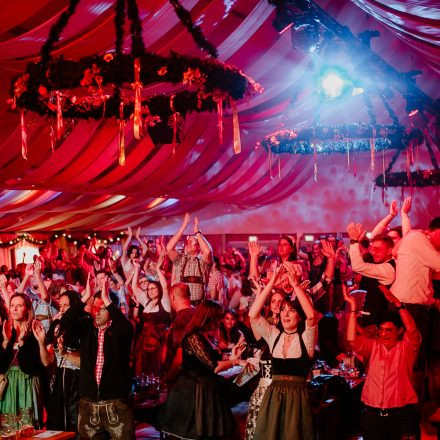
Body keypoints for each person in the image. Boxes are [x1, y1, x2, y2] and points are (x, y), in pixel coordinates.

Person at [159, 300, 247, 440]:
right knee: (196, 432)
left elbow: (214, 362)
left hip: (208, 388)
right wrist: (235, 362)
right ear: (209, 317)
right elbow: (213, 366)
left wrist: (233, 356)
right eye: (219, 317)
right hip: (194, 390)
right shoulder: (194, 337)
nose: (221, 321)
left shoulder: (207, 336)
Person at [59, 276, 134, 439]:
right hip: (89, 402)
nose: (97, 312)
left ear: (111, 308)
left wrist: (106, 298)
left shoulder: (120, 330)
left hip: (116, 402)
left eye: (103, 308)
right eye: (95, 308)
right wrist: (85, 298)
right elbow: (64, 323)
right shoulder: (87, 329)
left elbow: (127, 329)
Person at [344, 284, 421, 440]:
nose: (384, 333)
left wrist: (399, 305)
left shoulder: (406, 348)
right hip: (372, 416)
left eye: (389, 330)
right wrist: (352, 309)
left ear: (399, 331)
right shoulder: (373, 346)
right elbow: (352, 339)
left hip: (401, 416)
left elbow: (412, 331)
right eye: (381, 329)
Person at [249, 266, 318, 440]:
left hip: (298, 399)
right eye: (283, 310)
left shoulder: (305, 339)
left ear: (298, 316)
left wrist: (295, 286)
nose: (286, 314)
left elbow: (311, 316)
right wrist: (271, 283)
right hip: (274, 397)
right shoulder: (275, 336)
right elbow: (253, 314)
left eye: (292, 310)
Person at [0, 293, 51, 428]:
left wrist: (22, 342)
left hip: (27, 384)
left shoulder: (35, 331)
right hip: (8, 386)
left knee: (28, 427)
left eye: (19, 305)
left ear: (27, 309)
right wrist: (5, 342)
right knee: (8, 428)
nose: (15, 309)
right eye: (12, 305)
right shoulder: (6, 331)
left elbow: (31, 368)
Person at [45, 290, 84, 432]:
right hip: (58, 375)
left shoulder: (82, 324)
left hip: (75, 377)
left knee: (74, 418)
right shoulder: (57, 324)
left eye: (66, 305)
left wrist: (65, 352)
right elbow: (48, 352)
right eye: (60, 305)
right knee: (57, 417)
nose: (61, 309)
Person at [347, 223, 396, 327]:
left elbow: (357, 266)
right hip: (371, 319)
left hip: (378, 323)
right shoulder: (382, 265)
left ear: (389, 251)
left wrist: (354, 241)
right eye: (372, 249)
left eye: (377, 249)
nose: (373, 252)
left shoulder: (388, 269)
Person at [132, 254, 170, 376]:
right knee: (143, 368)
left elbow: (165, 286)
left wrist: (158, 270)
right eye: (149, 289)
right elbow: (134, 287)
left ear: (158, 290)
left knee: (158, 368)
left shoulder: (164, 302)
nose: (151, 290)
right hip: (145, 340)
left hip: (160, 341)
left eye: (153, 288)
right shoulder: (146, 302)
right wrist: (137, 269)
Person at [166, 213, 213, 305]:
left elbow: (208, 251)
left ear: (199, 246)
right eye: (187, 241)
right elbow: (169, 248)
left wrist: (197, 233)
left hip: (198, 305)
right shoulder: (180, 259)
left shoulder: (203, 261)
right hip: (181, 306)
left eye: (192, 242)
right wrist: (184, 226)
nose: (188, 243)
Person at [163, 283, 196, 390]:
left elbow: (181, 354)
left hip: (183, 380)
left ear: (172, 296)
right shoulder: (197, 313)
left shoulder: (182, 319)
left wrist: (170, 376)